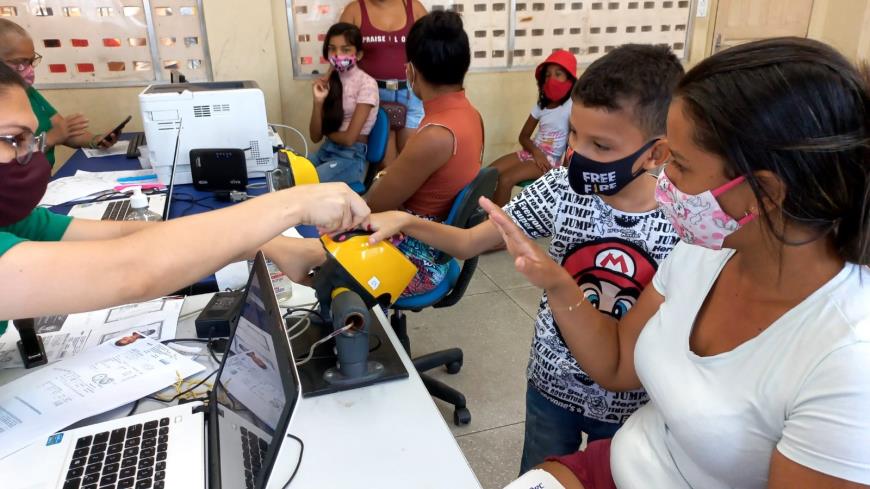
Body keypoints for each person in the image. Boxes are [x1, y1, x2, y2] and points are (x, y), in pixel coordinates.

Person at [493, 37, 870, 489]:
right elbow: (617, 364)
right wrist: (558, 283)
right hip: (620, 462)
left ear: (766, 192)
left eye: (682, 166)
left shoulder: (848, 360)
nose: (663, 179)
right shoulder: (703, 252)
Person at [367, 44, 684, 470]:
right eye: (574, 134)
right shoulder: (560, 188)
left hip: (632, 402)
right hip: (552, 384)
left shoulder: (681, 222)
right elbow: (468, 242)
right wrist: (407, 222)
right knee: (539, 474)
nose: (577, 153)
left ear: (656, 153)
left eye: (601, 145)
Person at [0, 62, 369, 338]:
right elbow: (130, 270)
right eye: (14, 139)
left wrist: (271, 244)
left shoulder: (12, 220)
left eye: (32, 139)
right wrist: (293, 205)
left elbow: (128, 238)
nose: (32, 155)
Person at [0, 19, 117, 168]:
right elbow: (11, 158)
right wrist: (50, 138)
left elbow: (65, 132)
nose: (30, 70)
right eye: (20, 63)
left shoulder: (30, 93)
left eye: (31, 62)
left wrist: (96, 140)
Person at [340, 0, 427, 164]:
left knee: (412, 159)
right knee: (384, 164)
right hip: (373, 97)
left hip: (412, 94)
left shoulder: (415, 8)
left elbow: (432, 50)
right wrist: (329, 85)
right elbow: (340, 55)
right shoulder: (354, 10)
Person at [489, 50, 577, 206]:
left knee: (506, 180)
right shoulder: (541, 106)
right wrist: (536, 152)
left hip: (549, 162)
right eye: (548, 75)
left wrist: (563, 176)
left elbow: (572, 144)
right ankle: (485, 215)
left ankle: (496, 221)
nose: (551, 79)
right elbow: (523, 136)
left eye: (558, 74)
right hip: (531, 153)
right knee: (487, 174)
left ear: (570, 79)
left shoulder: (572, 107)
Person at [309, 23, 379, 185]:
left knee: (306, 182)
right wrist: (318, 102)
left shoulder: (367, 84)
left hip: (351, 157)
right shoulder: (329, 82)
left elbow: (349, 139)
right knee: (290, 173)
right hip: (326, 150)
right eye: (332, 49)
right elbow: (315, 136)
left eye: (345, 49)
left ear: (358, 55)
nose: (337, 54)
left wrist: (326, 132)